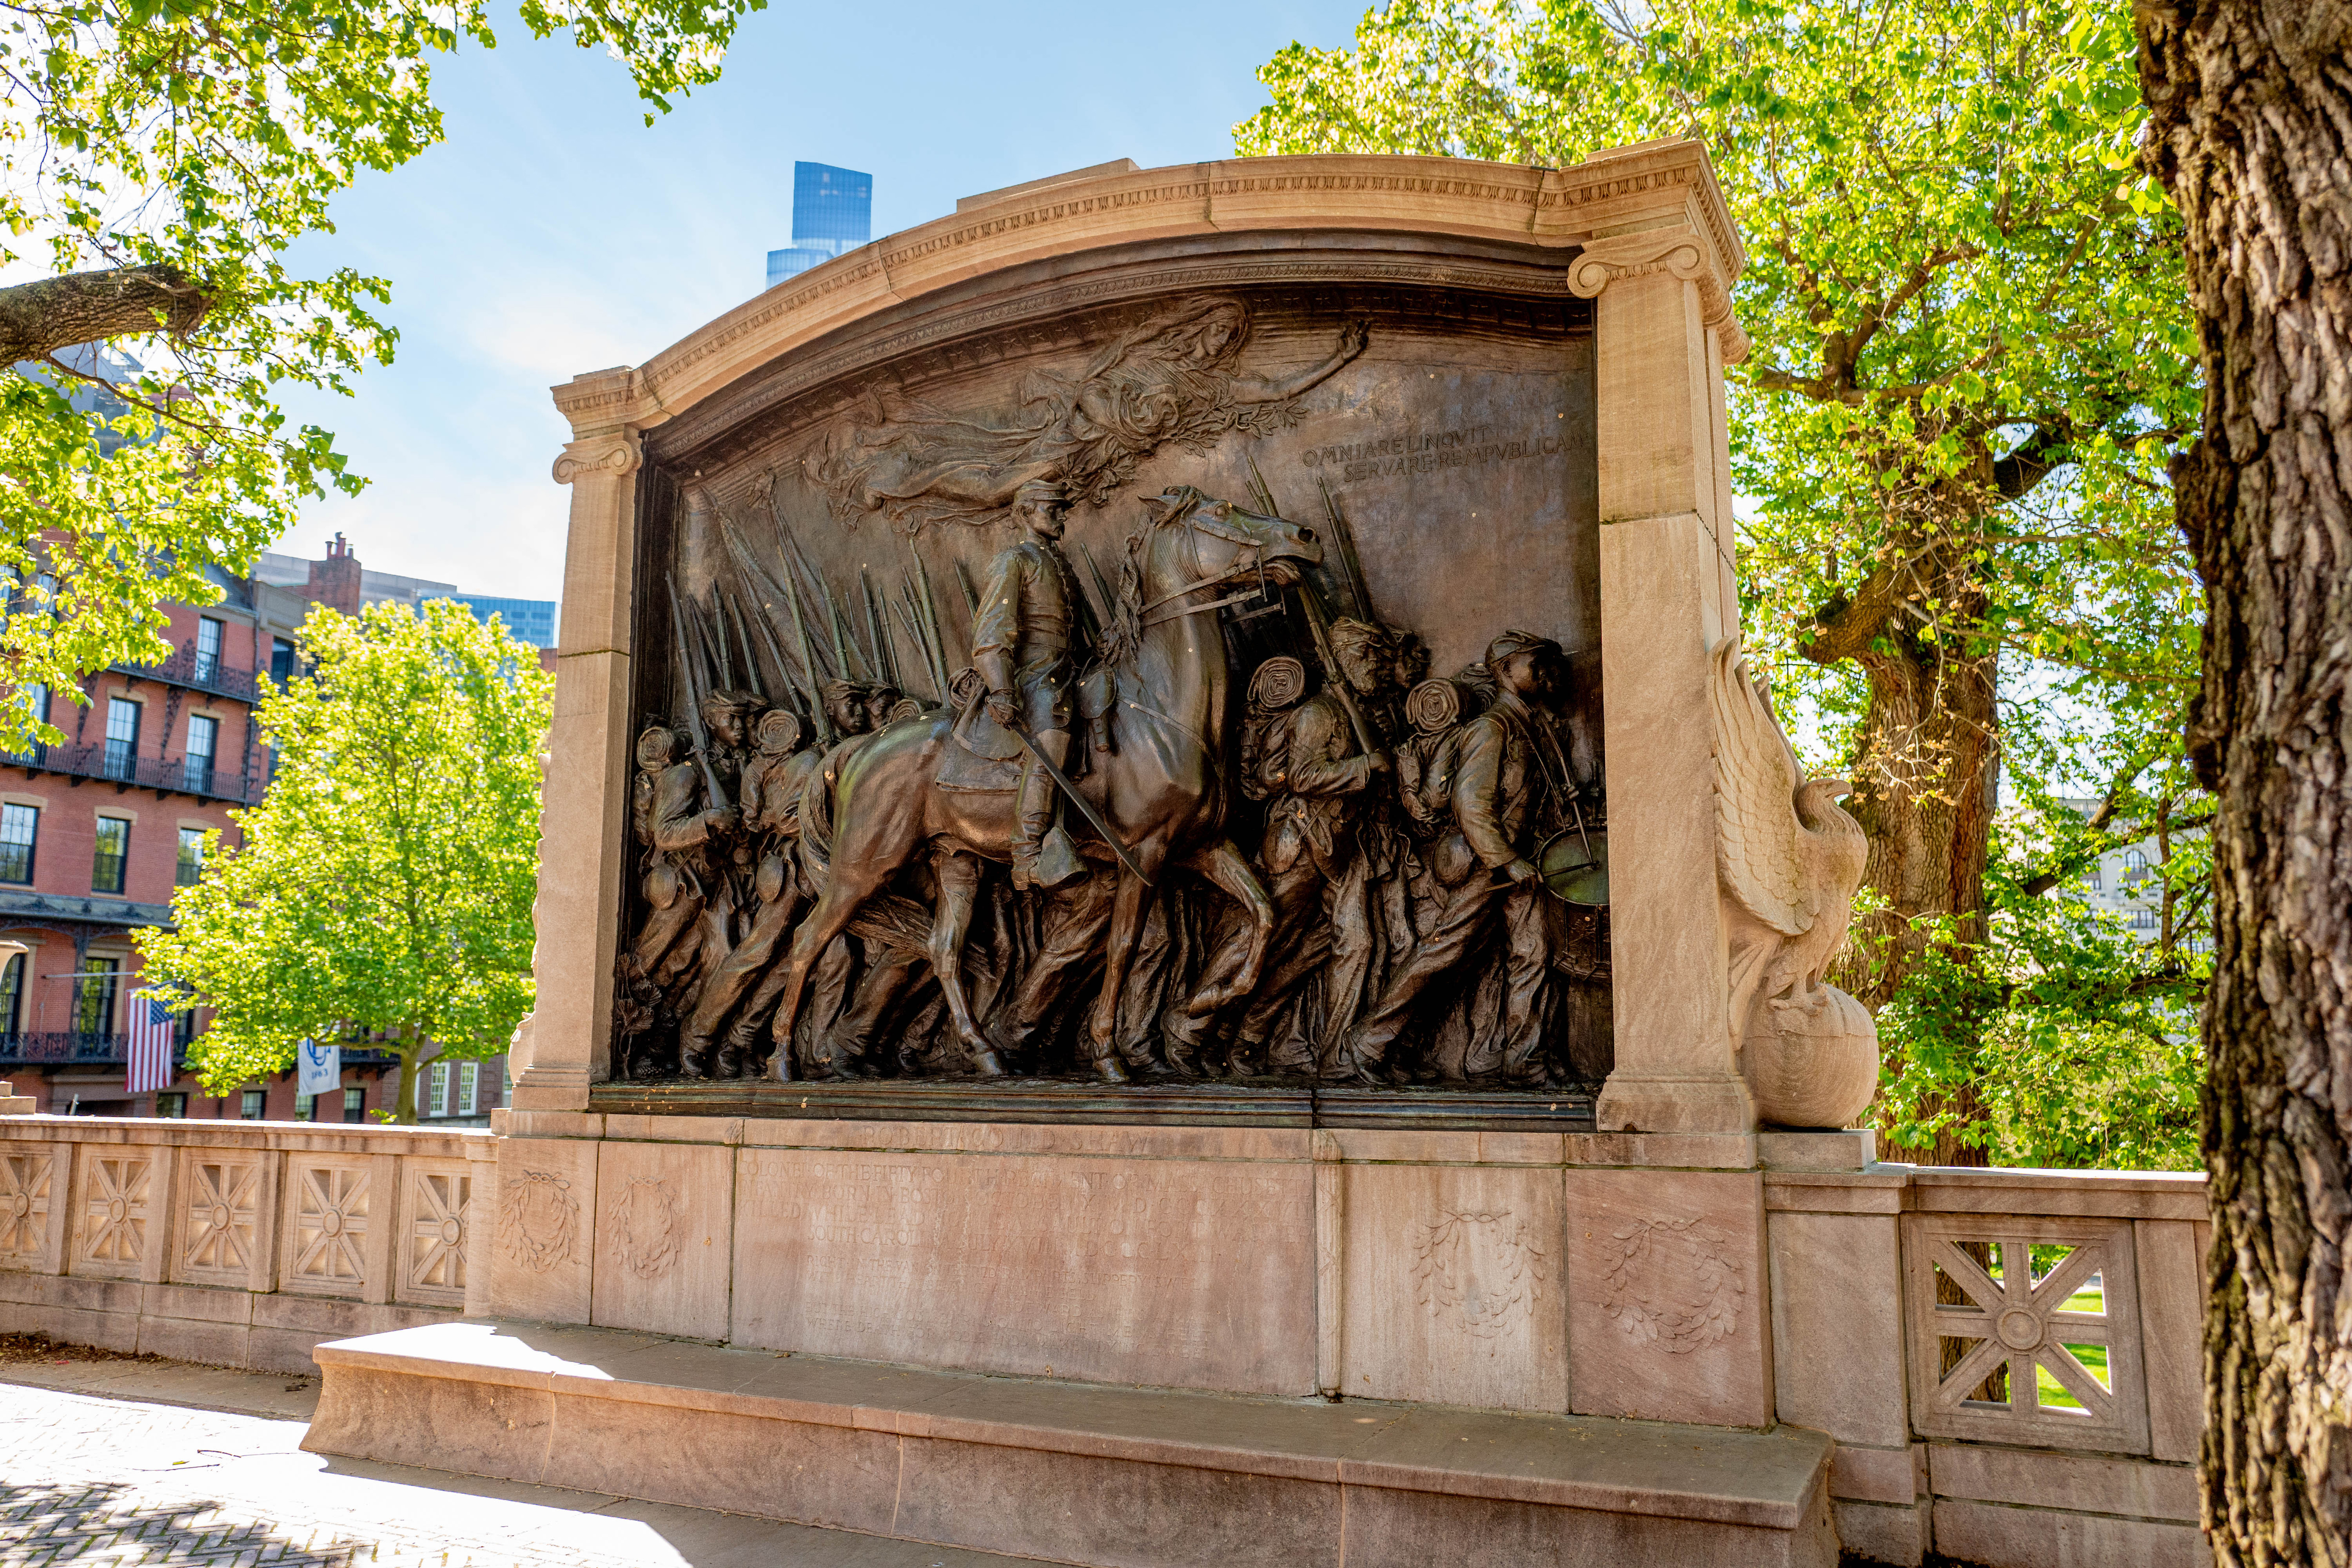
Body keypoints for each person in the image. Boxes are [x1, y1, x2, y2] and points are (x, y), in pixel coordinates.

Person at [1340, 630, 1573, 1086]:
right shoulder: (1491, 728)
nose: (1543, 671)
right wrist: (1506, 860)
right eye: (1533, 662)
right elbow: (1471, 804)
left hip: (1521, 865)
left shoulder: (1531, 723)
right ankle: (1369, 1040)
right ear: (1505, 671)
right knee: (1444, 954)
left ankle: (1524, 1058)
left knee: (1532, 954)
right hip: (1492, 866)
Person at [679, 708, 822, 1078]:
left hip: (823, 870)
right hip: (788, 867)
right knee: (757, 953)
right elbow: (761, 819)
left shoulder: (810, 760)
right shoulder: (777, 768)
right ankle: (698, 1036)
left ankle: (741, 1039)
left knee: (805, 960)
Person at [973, 477, 1086, 890]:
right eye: (1051, 509)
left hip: (1070, 666)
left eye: (1062, 509)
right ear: (1024, 514)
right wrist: (1002, 689)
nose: (1061, 517)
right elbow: (992, 634)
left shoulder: (1062, 565)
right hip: (1036, 673)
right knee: (1052, 741)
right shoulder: (1014, 561)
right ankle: (1028, 856)